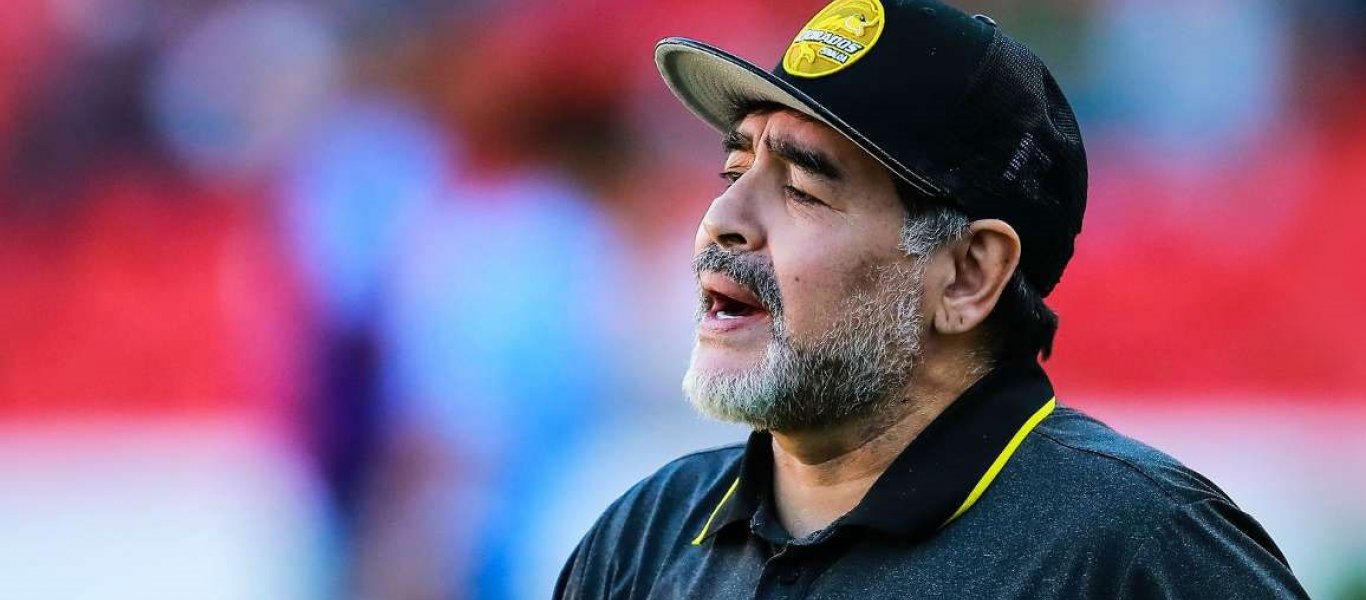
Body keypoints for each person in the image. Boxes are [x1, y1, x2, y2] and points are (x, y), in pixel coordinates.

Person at [555, 0, 1309, 597]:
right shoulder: (644, 535)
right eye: (733, 171)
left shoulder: (1138, 550)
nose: (721, 220)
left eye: (802, 188)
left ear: (968, 274)